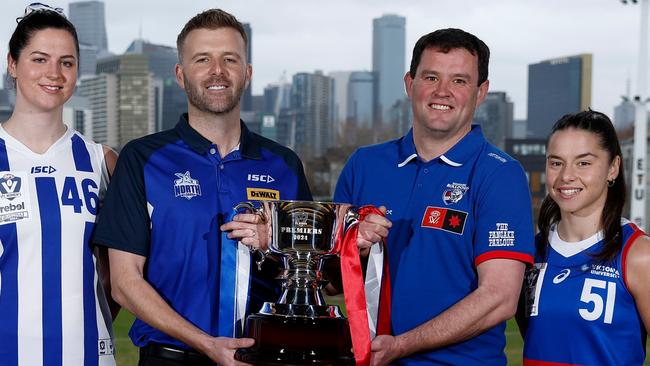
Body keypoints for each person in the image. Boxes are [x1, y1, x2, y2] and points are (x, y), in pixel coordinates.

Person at [92, 8, 312, 366]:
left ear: (248, 73)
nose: (217, 71)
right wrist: (206, 343)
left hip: (268, 356)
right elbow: (123, 283)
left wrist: (277, 243)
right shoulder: (142, 159)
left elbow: (314, 273)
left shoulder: (284, 165)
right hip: (171, 357)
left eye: (230, 59)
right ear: (180, 74)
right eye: (202, 60)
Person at [334, 28, 535, 365]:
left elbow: (500, 297)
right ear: (410, 83)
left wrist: (402, 345)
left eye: (459, 80)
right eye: (431, 77)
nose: (443, 92)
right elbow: (329, 284)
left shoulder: (500, 174)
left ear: (481, 92)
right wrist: (354, 249)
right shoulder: (364, 164)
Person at [0, 4, 118, 366]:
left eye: (66, 62)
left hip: (88, 355)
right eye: (39, 59)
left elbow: (119, 274)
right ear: (13, 64)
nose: (54, 73)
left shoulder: (103, 162)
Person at [516, 110, 650, 365]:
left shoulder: (639, 255)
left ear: (613, 168)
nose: (566, 175)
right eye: (556, 162)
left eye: (583, 163)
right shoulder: (530, 252)